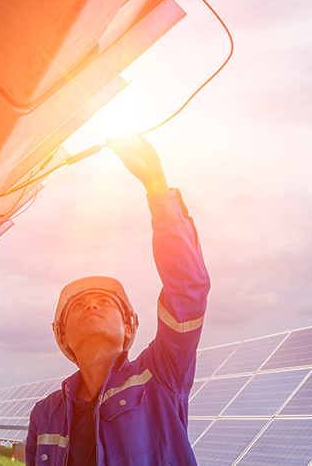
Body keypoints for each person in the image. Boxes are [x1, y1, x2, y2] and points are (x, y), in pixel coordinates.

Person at [26, 133, 210, 466]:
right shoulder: (44, 414)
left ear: (128, 328)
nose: (91, 306)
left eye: (104, 302)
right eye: (78, 307)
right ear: (63, 335)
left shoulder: (160, 377)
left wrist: (157, 190)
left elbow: (188, 292)